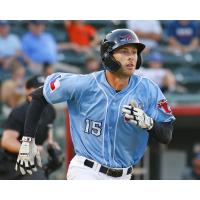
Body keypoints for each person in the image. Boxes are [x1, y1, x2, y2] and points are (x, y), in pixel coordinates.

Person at [15, 29, 175, 180]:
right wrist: (28, 140)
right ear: (108, 55)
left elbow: (166, 135)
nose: (131, 57)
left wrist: (149, 124)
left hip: (125, 176)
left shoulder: (148, 89)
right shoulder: (84, 84)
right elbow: (38, 96)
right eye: (124, 51)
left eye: (134, 52)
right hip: (87, 171)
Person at [0, 75, 63, 179]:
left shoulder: (50, 110)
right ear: (27, 90)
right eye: (37, 89)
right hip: (12, 162)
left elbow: (48, 134)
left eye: (43, 88)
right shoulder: (20, 111)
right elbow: (7, 141)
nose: (41, 92)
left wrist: (51, 145)